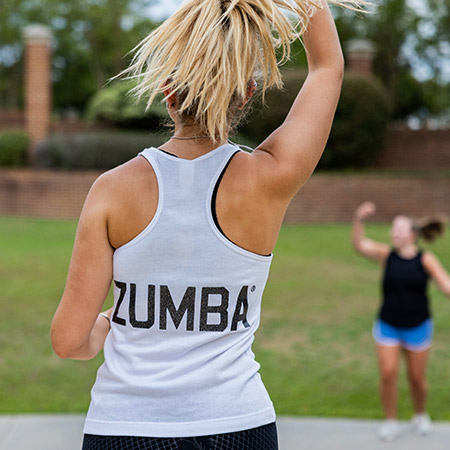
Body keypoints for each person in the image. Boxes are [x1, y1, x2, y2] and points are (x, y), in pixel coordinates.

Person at [51, 1, 362, 449]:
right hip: (239, 426)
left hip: (127, 429)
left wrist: (107, 322)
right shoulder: (269, 179)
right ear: (248, 93)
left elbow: (68, 342)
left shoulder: (112, 190)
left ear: (167, 92)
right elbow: (327, 68)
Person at [352, 201, 450, 442]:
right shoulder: (387, 255)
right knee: (388, 373)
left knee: (416, 378)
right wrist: (358, 219)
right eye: (393, 228)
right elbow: (359, 245)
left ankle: (419, 414)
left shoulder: (426, 259)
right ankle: (390, 421)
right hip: (388, 324)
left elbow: (446, 286)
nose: (393, 232)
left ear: (413, 235)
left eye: (399, 229)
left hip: (418, 326)